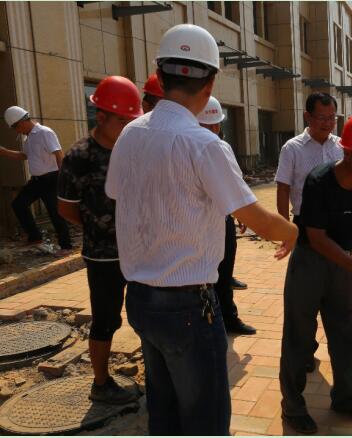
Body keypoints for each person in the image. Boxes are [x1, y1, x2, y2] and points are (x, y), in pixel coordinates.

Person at [105, 24, 298, 435]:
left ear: (161, 75)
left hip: (139, 298)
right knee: (204, 419)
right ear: (210, 83)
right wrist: (293, 233)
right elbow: (256, 218)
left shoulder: (129, 135)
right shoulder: (205, 144)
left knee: (164, 409)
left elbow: (117, 194)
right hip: (187, 307)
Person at [279, 113, 352, 434]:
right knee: (299, 337)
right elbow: (316, 238)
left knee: (344, 333)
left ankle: (343, 398)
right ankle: (293, 407)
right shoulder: (320, 180)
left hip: (343, 264)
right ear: (349, 152)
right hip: (309, 263)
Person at [57, 76, 143, 404]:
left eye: (130, 121)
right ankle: (101, 383)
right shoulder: (80, 156)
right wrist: (100, 227)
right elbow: (66, 208)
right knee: (106, 318)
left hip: (139, 250)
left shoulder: (132, 149)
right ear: (101, 116)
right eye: (122, 121)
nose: (127, 127)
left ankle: (157, 372)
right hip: (103, 255)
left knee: (146, 312)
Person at [275, 92, 352, 369]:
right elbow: (283, 188)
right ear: (307, 116)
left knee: (343, 298)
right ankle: (304, 352)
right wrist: (285, 229)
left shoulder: (342, 147)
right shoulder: (292, 148)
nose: (327, 123)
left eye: (332, 118)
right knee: (304, 301)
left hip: (341, 231)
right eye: (321, 117)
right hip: (306, 231)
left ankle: (343, 347)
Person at [197, 96, 256, 335]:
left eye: (216, 124)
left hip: (224, 218)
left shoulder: (223, 147)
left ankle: (229, 318)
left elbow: (235, 182)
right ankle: (213, 322)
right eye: (207, 125)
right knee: (208, 276)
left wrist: (240, 212)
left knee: (225, 272)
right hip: (201, 226)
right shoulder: (190, 148)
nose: (213, 130)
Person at [1, 106, 71, 253]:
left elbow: (59, 154)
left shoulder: (45, 132)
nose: (17, 131)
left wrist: (63, 178)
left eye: (15, 128)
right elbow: (24, 156)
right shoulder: (29, 138)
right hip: (37, 181)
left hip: (52, 178)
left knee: (55, 212)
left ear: (21, 122)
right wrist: (4, 152)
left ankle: (66, 245)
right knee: (18, 204)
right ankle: (35, 237)